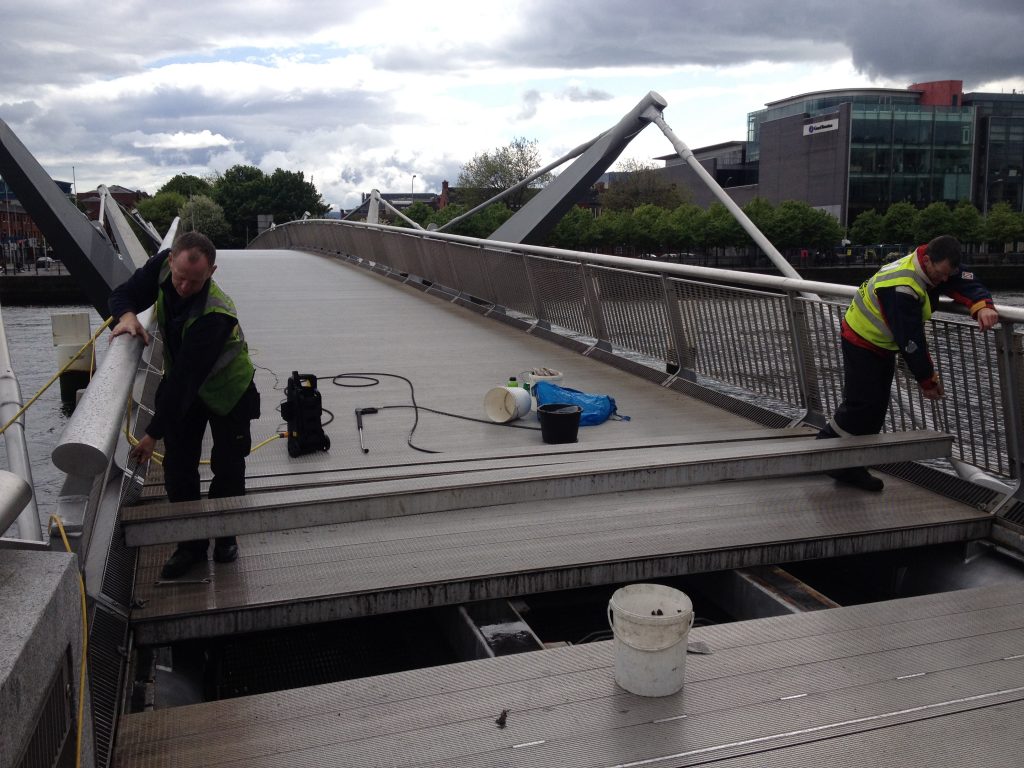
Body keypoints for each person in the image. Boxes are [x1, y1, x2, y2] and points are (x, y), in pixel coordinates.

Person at [109, 231, 259, 578]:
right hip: (186, 382)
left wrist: (152, 434)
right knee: (178, 468)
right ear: (170, 260)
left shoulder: (215, 314)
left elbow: (184, 382)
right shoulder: (161, 268)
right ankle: (190, 545)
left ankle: (226, 536)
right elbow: (122, 294)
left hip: (227, 389)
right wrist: (127, 316)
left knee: (228, 466)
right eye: (179, 277)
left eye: (195, 281)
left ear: (212, 272)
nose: (184, 287)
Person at [818, 235, 999, 492]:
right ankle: (826, 449)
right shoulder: (901, 287)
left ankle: (850, 463)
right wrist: (927, 380)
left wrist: (983, 305)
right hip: (862, 340)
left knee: (875, 408)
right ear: (928, 261)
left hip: (880, 342)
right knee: (862, 405)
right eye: (940, 274)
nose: (943, 280)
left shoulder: (934, 265)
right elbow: (911, 340)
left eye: (947, 275)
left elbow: (964, 281)